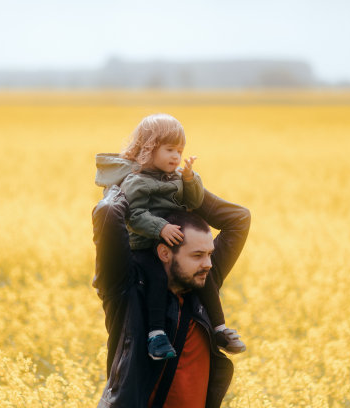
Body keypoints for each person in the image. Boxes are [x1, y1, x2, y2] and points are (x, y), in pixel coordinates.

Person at [95, 113, 245, 361]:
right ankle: (156, 335)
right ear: (149, 149)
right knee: (156, 277)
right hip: (144, 246)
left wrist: (190, 179)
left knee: (203, 275)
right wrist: (160, 228)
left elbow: (195, 202)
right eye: (169, 150)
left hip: (170, 246)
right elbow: (134, 215)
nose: (176, 156)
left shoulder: (176, 177)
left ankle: (219, 328)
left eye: (180, 150)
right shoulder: (136, 181)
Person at [92, 185, 251, 408]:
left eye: (210, 254)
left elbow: (239, 219)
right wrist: (133, 186)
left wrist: (184, 188)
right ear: (164, 253)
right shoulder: (128, 289)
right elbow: (107, 213)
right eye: (197, 255)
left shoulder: (204, 284)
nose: (207, 264)